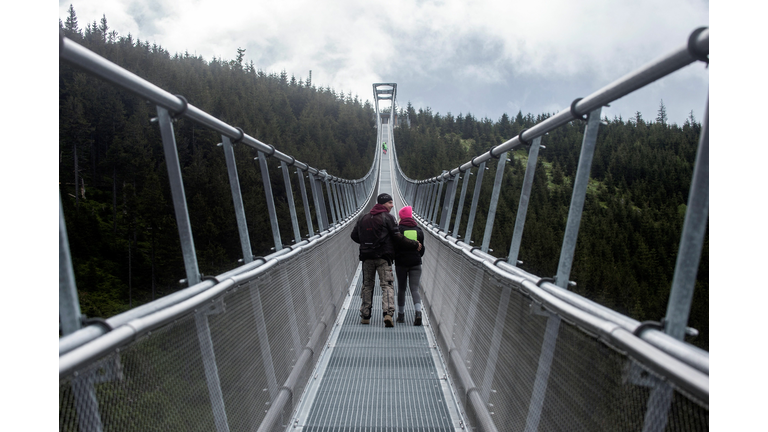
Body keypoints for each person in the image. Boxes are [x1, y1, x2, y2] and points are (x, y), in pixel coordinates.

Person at [351, 193, 421, 327]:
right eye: (390, 203)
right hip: (384, 257)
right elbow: (398, 237)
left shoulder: (363, 217)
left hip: (366, 257)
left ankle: (365, 315)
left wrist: (366, 242)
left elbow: (354, 236)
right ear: (383, 204)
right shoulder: (388, 217)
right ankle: (388, 314)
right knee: (387, 285)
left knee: (367, 285)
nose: (392, 205)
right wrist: (414, 244)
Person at [394, 206, 425, 326]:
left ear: (401, 216)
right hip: (415, 263)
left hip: (401, 263)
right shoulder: (419, 230)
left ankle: (401, 315)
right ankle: (418, 313)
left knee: (402, 288)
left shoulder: (398, 230)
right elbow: (422, 248)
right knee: (415, 289)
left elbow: (395, 246)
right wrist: (417, 255)